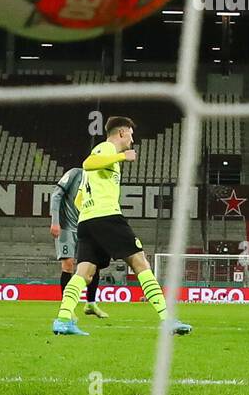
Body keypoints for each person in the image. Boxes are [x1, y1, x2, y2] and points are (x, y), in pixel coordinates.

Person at [52, 117, 192, 337]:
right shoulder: (106, 148)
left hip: (87, 221)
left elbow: (79, 198)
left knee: (84, 272)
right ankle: (167, 319)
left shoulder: (105, 160)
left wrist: (90, 210)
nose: (132, 139)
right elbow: (88, 162)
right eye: (131, 134)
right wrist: (121, 157)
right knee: (140, 262)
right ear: (121, 133)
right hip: (107, 217)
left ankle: (62, 320)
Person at [49, 166, 108, 321]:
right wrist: (55, 222)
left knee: (92, 264)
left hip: (87, 226)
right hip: (67, 227)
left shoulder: (100, 180)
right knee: (68, 265)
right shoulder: (75, 173)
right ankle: (67, 309)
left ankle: (91, 303)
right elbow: (56, 195)